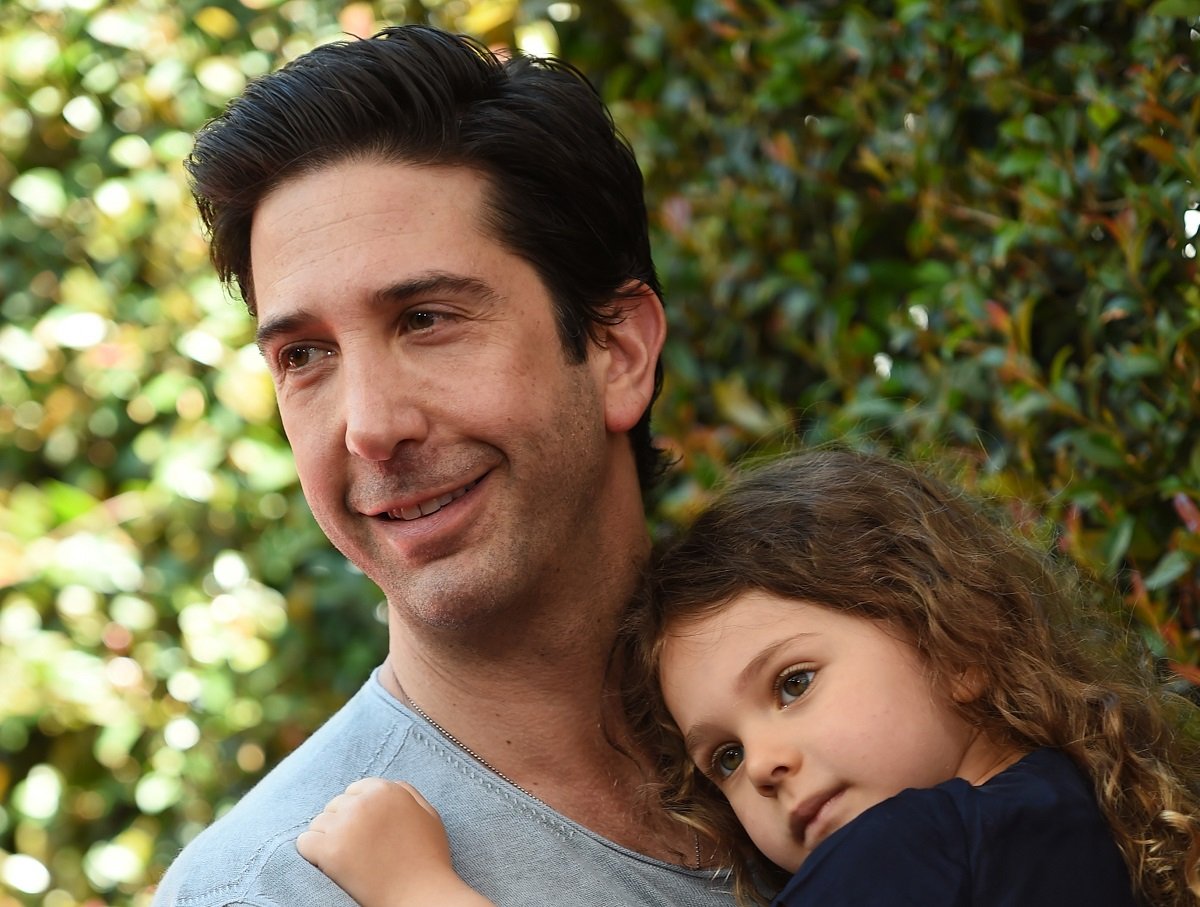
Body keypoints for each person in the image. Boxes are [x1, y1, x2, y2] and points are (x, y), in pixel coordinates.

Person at [152, 25, 734, 906]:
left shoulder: (878, 735)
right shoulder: (274, 890)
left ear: (618, 350)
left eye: (426, 319)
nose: (370, 428)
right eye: (305, 355)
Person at [296, 449, 1200, 906]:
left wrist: (417, 887)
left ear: (956, 643)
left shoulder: (913, 849)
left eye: (794, 683)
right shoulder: (1073, 811)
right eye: (722, 757)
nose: (763, 763)